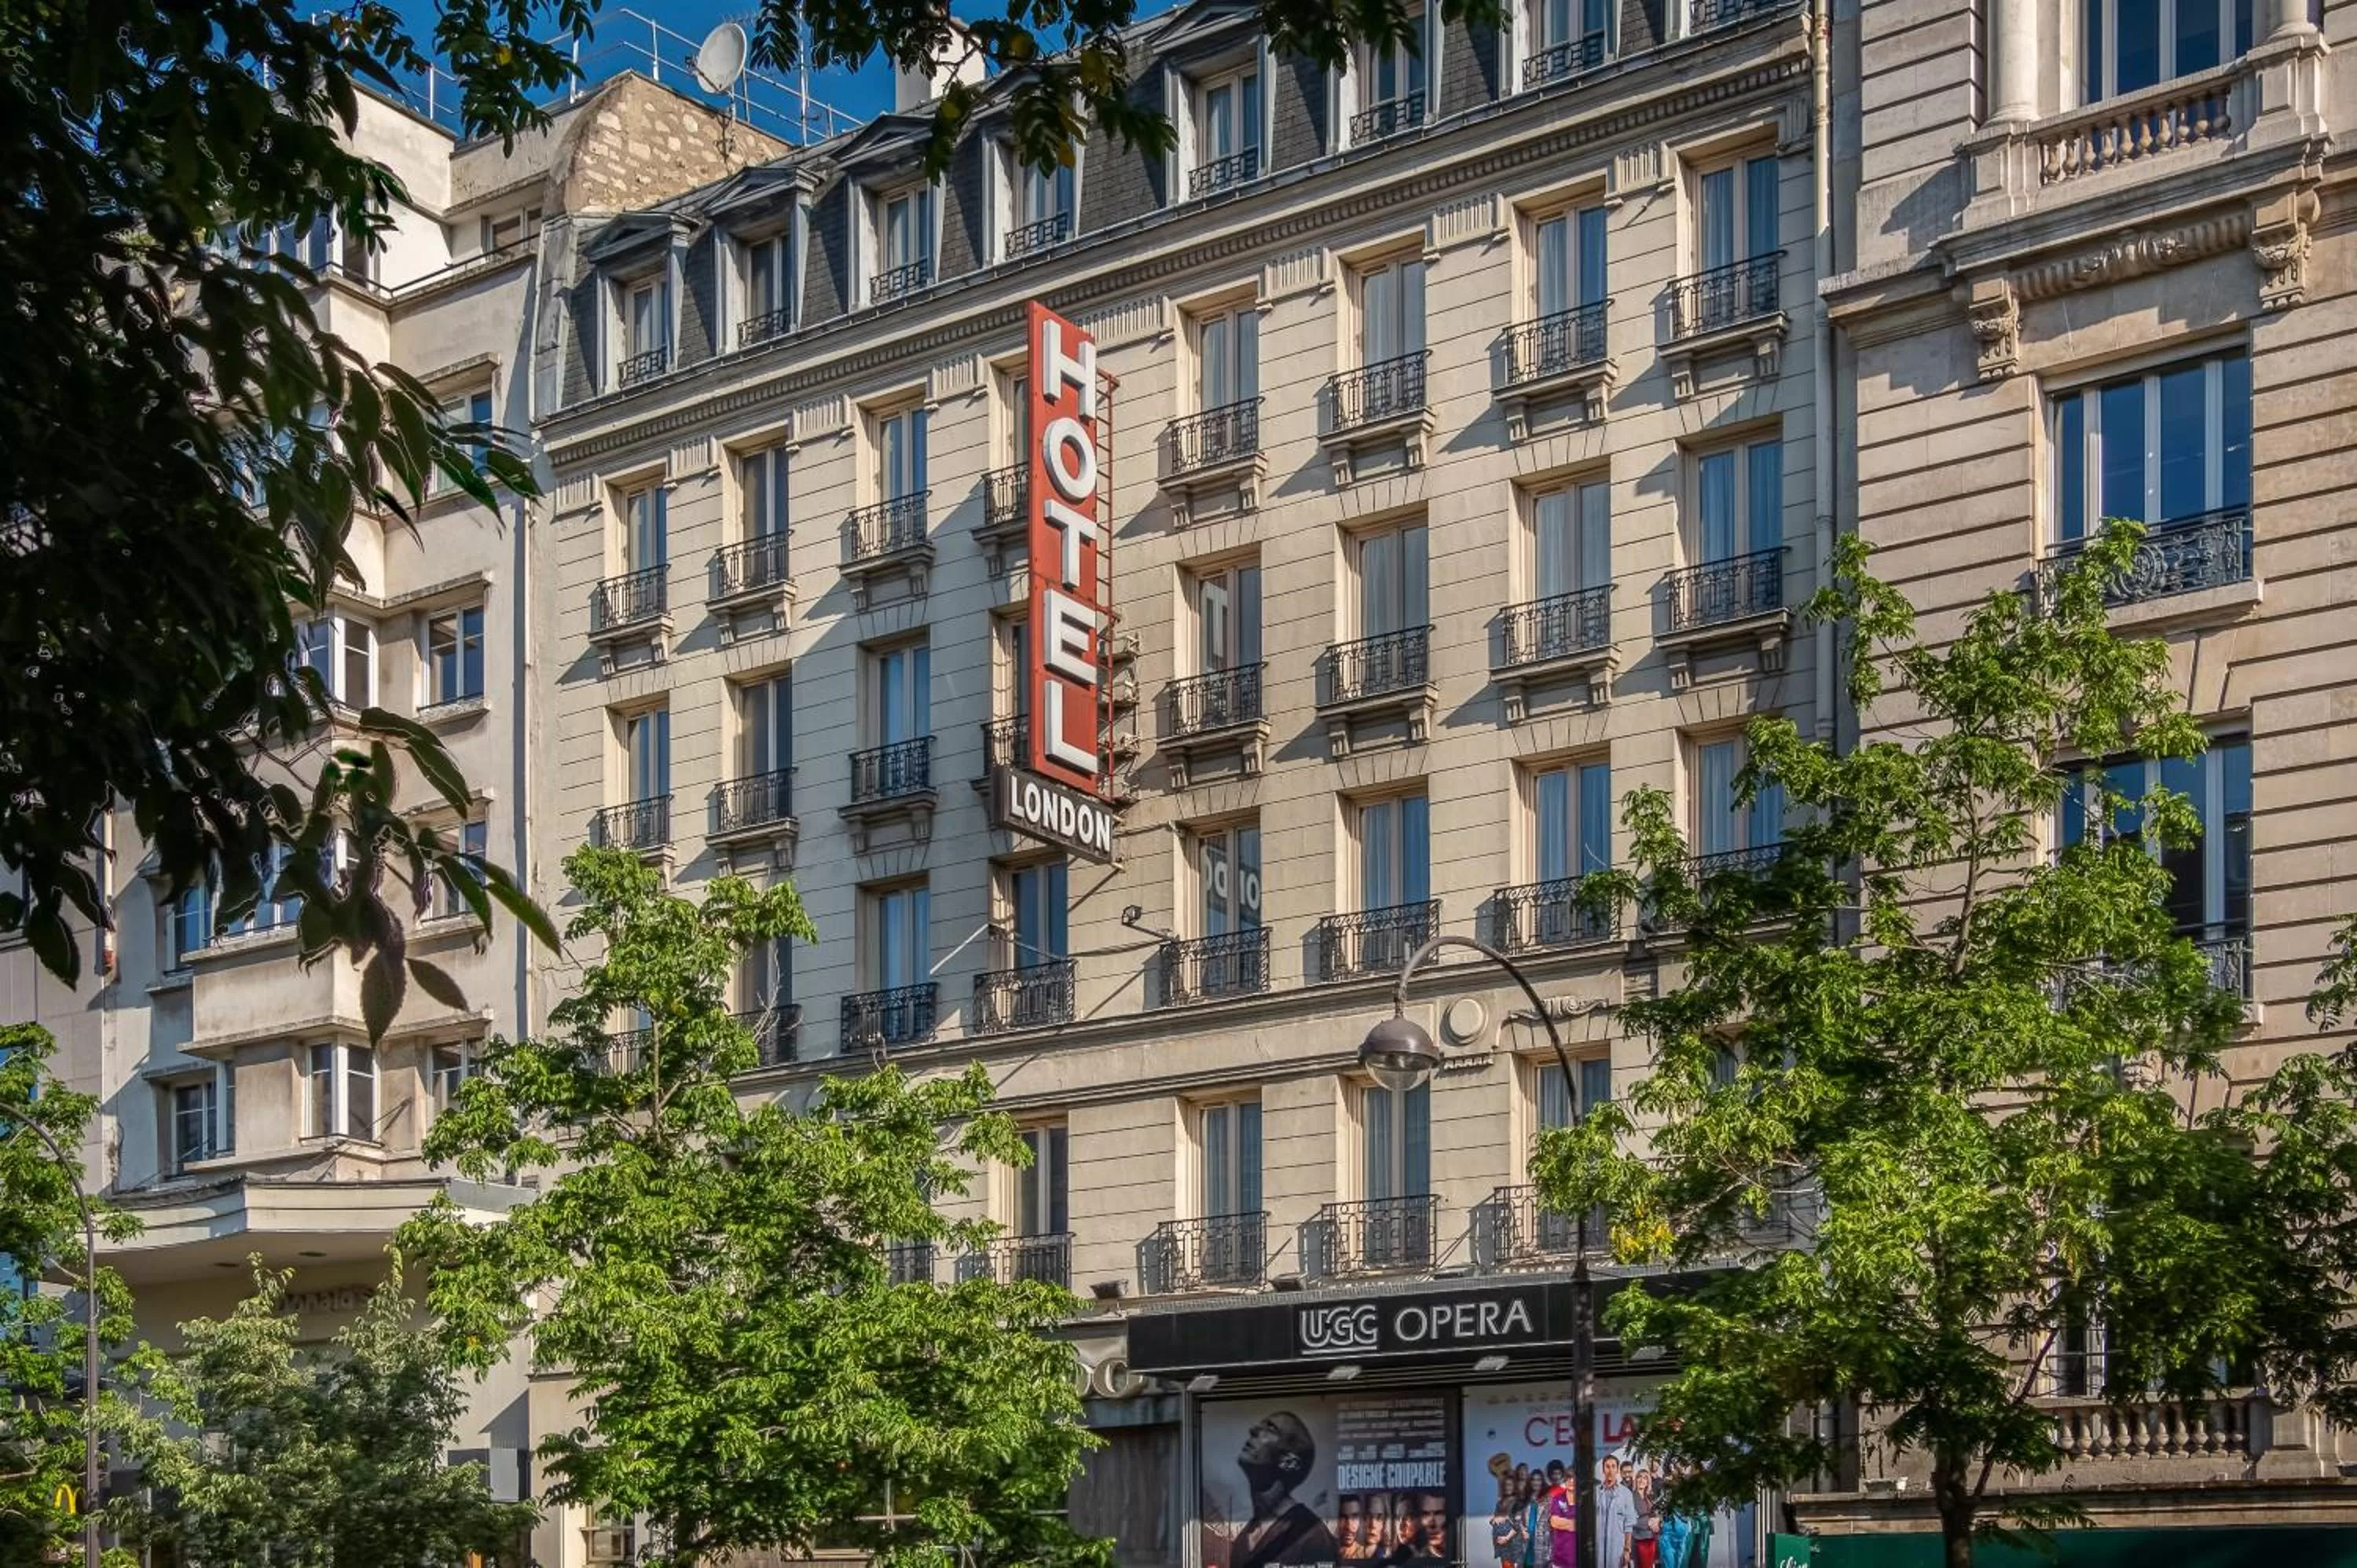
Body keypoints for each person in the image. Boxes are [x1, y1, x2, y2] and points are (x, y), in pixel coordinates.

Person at [1230, 1412, 1341, 1568]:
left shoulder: (1311, 1535)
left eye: (1271, 1428)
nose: (1253, 1430)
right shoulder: (1242, 1541)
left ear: (1289, 1462)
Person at [1596, 1454, 1639, 1568]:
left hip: (1617, 1547)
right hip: (1598, 1548)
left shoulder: (1626, 1494)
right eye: (1607, 1467)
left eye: (1613, 1467)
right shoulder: (1596, 1493)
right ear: (1603, 1470)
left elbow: (1629, 1524)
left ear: (1617, 1470)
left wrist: (1627, 1550)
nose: (1610, 1470)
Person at [1627, 1465, 1660, 1568]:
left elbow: (1656, 1514)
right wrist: (1649, 1523)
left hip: (1652, 1539)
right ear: (1636, 1480)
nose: (1642, 1480)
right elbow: (1629, 1520)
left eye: (1645, 1478)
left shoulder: (1649, 1497)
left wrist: (1658, 1522)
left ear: (1648, 1482)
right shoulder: (1630, 1496)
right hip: (1639, 1541)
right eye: (1639, 1477)